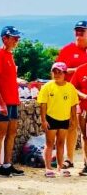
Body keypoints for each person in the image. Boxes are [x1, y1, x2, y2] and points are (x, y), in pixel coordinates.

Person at [0, 25, 26, 176]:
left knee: (11, 132)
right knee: (1, 132)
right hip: (3, 101)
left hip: (12, 99)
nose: (17, 40)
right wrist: (1, 102)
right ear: (5, 38)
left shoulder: (9, 55)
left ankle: (7, 163)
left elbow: (6, 78)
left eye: (18, 38)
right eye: (14, 38)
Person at [36, 61, 80, 177]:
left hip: (65, 119)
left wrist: (73, 120)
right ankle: (48, 168)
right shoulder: (47, 87)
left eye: (59, 72)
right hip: (51, 118)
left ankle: (60, 167)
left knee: (61, 143)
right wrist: (44, 120)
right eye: (54, 72)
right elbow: (43, 105)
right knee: (49, 143)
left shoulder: (70, 88)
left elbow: (73, 105)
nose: (57, 74)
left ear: (65, 73)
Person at [56, 20, 87, 168]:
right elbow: (57, 70)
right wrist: (78, 70)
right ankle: (70, 159)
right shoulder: (67, 50)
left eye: (82, 31)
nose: (79, 34)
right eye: (77, 31)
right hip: (70, 92)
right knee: (72, 126)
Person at [70, 57, 87, 176]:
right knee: (85, 136)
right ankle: (86, 164)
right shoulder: (81, 69)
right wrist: (83, 95)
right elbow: (72, 87)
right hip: (83, 108)